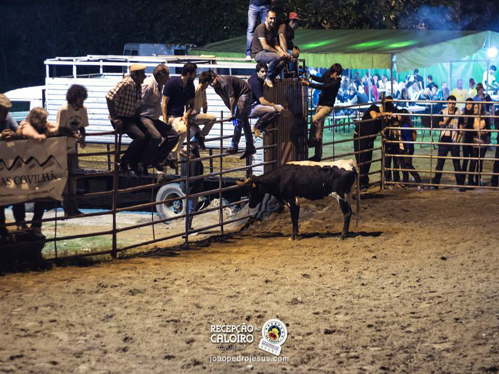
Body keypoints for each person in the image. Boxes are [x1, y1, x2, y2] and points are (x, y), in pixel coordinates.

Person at [17, 107, 58, 237]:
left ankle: (36, 225)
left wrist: (47, 129)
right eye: (44, 120)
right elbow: (38, 138)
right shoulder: (26, 125)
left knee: (41, 195)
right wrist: (47, 132)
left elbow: (57, 128)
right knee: (21, 195)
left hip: (38, 165)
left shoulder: (41, 125)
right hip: (24, 165)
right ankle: (21, 222)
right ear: (36, 120)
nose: (46, 122)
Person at [106, 63, 148, 176]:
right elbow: (109, 97)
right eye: (142, 74)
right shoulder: (125, 83)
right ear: (135, 75)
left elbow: (138, 104)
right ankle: (125, 160)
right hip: (121, 118)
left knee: (150, 135)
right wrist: (114, 117)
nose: (144, 77)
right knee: (140, 137)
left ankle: (136, 160)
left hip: (131, 118)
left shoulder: (138, 85)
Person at [205, 71, 256, 159]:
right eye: (209, 83)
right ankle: (250, 145)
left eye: (212, 81)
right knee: (242, 121)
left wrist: (233, 114)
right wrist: (232, 114)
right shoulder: (216, 88)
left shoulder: (224, 83)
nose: (212, 84)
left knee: (238, 120)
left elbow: (231, 99)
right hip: (237, 96)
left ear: (215, 77)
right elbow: (225, 100)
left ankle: (234, 145)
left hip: (244, 93)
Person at [56, 84, 89, 216]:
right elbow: (61, 128)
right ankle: (67, 208)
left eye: (82, 97)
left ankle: (73, 207)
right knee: (65, 177)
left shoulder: (83, 109)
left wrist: (83, 137)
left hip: (73, 147)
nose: (81, 100)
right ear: (73, 97)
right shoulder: (64, 110)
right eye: (79, 98)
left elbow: (82, 126)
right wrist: (75, 135)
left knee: (73, 177)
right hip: (62, 146)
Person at [140, 64, 179, 172]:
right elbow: (138, 102)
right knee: (156, 137)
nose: (168, 78)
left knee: (173, 135)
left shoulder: (159, 85)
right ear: (160, 76)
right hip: (144, 117)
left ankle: (157, 158)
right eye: (167, 76)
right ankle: (145, 161)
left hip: (153, 118)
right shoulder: (149, 84)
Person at [301, 63, 342, 162]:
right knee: (319, 132)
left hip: (327, 107)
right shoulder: (328, 74)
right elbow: (320, 80)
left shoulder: (336, 82)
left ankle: (311, 141)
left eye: (336, 74)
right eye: (333, 73)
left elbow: (324, 87)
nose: (334, 76)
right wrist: (309, 75)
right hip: (320, 104)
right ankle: (318, 155)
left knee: (314, 119)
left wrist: (309, 84)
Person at [0, 94, 27, 242]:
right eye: (2, 111)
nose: (5, 114)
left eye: (5, 111)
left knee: (17, 192)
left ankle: (20, 221)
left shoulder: (8, 117)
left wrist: (14, 135)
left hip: (8, 163)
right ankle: (2, 227)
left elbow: (18, 131)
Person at [354, 97, 395, 189]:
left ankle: (364, 182)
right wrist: (385, 114)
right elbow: (374, 116)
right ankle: (359, 183)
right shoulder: (374, 108)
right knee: (361, 161)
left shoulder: (382, 119)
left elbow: (382, 131)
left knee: (368, 161)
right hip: (360, 137)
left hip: (369, 140)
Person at [162, 62, 197, 159]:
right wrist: (165, 120)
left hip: (179, 116)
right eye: (194, 73)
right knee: (162, 137)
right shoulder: (172, 82)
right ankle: (161, 164)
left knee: (184, 130)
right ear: (189, 74)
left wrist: (186, 115)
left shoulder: (191, 86)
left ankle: (173, 153)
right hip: (166, 115)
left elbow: (192, 104)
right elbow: (164, 102)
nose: (195, 75)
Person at [431, 96, 465, 189]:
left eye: (453, 103)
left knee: (456, 163)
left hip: (454, 140)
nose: (451, 105)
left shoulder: (459, 113)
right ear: (447, 103)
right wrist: (449, 117)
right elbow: (441, 125)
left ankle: (460, 184)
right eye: (450, 103)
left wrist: (458, 141)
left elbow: (461, 129)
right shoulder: (442, 112)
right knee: (440, 163)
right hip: (444, 139)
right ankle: (435, 184)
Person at [252, 8, 287, 87]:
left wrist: (283, 53)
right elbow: (265, 46)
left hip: (267, 53)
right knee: (277, 57)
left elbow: (276, 45)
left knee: (285, 59)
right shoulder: (261, 28)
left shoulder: (272, 29)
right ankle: (268, 77)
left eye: (274, 18)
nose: (273, 21)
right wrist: (278, 53)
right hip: (258, 53)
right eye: (271, 18)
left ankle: (271, 76)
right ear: (266, 18)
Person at [247, 62, 283, 137]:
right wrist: (274, 106)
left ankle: (261, 126)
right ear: (257, 72)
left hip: (255, 105)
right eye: (262, 72)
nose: (264, 74)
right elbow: (262, 101)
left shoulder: (257, 78)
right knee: (273, 110)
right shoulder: (256, 83)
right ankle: (257, 127)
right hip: (250, 108)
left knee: (281, 108)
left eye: (265, 71)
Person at [191, 72, 217, 149]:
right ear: (206, 83)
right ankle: (200, 137)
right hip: (192, 115)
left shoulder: (203, 90)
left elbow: (205, 105)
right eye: (208, 84)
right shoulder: (196, 89)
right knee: (213, 117)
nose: (208, 85)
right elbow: (187, 102)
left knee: (198, 133)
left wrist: (205, 117)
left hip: (197, 115)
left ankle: (191, 148)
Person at [468, 103, 490, 186]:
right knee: (473, 161)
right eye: (475, 107)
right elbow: (469, 129)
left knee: (480, 162)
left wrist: (486, 132)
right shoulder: (472, 117)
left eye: (477, 108)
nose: (475, 109)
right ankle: (470, 180)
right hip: (474, 141)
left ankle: (478, 180)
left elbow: (489, 129)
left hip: (483, 142)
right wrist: (476, 131)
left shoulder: (485, 117)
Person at [398, 109, 422, 185]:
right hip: (403, 148)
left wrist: (407, 149)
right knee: (403, 166)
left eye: (399, 115)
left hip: (406, 148)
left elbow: (408, 138)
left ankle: (418, 179)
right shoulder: (403, 125)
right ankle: (406, 182)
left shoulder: (405, 126)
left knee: (407, 164)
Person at [277, 12, 302, 76]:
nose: (296, 24)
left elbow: (290, 41)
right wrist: (286, 52)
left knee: (295, 55)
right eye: (295, 21)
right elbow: (281, 37)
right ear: (291, 21)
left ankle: (292, 71)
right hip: (279, 50)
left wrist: (294, 48)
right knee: (292, 55)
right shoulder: (283, 26)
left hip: (287, 49)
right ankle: (290, 72)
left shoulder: (291, 30)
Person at [382, 110, 401, 183]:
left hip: (395, 144)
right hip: (389, 144)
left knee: (396, 163)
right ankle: (388, 179)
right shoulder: (386, 124)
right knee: (388, 163)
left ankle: (396, 179)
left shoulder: (397, 123)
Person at [460, 99, 475, 185]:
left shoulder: (475, 115)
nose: (468, 105)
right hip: (466, 139)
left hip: (473, 139)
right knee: (465, 160)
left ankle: (470, 179)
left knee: (473, 160)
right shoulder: (463, 115)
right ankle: (462, 180)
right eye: (467, 104)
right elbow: (461, 127)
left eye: (470, 104)